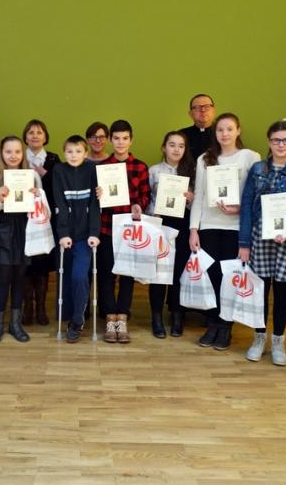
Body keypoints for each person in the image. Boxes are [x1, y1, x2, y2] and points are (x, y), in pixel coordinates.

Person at [238, 121, 286, 365]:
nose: (281, 145)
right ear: (269, 142)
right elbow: (247, 206)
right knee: (260, 290)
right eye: (276, 140)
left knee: (282, 291)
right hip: (260, 236)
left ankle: (278, 339)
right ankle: (259, 337)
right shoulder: (258, 168)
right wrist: (244, 243)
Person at [189, 113, 260, 351]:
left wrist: (239, 208)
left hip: (236, 227)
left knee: (230, 278)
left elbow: (254, 196)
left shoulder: (250, 157)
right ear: (215, 133)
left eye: (230, 129)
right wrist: (194, 229)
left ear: (238, 131)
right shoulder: (204, 159)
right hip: (209, 226)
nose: (225, 134)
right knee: (212, 277)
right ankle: (213, 323)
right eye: (220, 130)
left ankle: (225, 326)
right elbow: (199, 196)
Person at [95, 120, 150, 343]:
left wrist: (139, 206)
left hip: (129, 230)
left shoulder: (140, 166)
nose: (120, 142)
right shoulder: (102, 167)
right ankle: (110, 317)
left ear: (131, 140)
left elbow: (145, 195)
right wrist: (98, 196)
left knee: (127, 274)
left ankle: (123, 317)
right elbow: (94, 202)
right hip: (107, 228)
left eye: (125, 138)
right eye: (116, 138)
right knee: (107, 274)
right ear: (110, 140)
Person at [0, 136, 42, 344]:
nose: (13, 156)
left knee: (20, 278)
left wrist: (38, 196)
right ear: (2, 153)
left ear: (22, 153)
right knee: (4, 278)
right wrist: (0, 199)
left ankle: (15, 324)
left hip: (26, 231)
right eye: (8, 152)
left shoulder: (33, 176)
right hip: (3, 232)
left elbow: (41, 209)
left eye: (17, 151)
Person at [146, 131, 195, 338]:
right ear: (164, 147)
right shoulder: (154, 171)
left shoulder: (192, 171)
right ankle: (156, 316)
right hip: (160, 223)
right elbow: (147, 198)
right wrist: (153, 212)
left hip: (183, 224)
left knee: (178, 271)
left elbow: (198, 203)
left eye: (181, 146)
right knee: (158, 272)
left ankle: (177, 314)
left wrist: (191, 198)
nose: (176, 149)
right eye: (172, 145)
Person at [52, 135, 101, 342]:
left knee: (80, 276)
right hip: (66, 236)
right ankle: (69, 316)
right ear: (64, 153)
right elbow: (60, 204)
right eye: (69, 151)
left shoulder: (92, 170)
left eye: (78, 151)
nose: (74, 155)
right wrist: (63, 233)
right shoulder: (59, 170)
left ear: (86, 153)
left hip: (85, 236)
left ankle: (78, 319)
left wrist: (94, 233)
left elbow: (95, 205)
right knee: (66, 277)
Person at [21, 119, 60, 326]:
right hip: (23, 221)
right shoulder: (18, 157)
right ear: (25, 137)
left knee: (42, 265)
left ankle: (41, 308)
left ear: (45, 137)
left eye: (39, 132)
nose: (35, 136)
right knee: (26, 264)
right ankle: (27, 307)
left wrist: (46, 175)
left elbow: (60, 188)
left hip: (45, 220)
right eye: (31, 132)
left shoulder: (53, 159)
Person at [180, 93, 217, 160]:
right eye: (197, 107)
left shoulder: (223, 133)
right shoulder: (181, 135)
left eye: (207, 106)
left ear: (213, 110)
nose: (203, 110)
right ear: (191, 114)